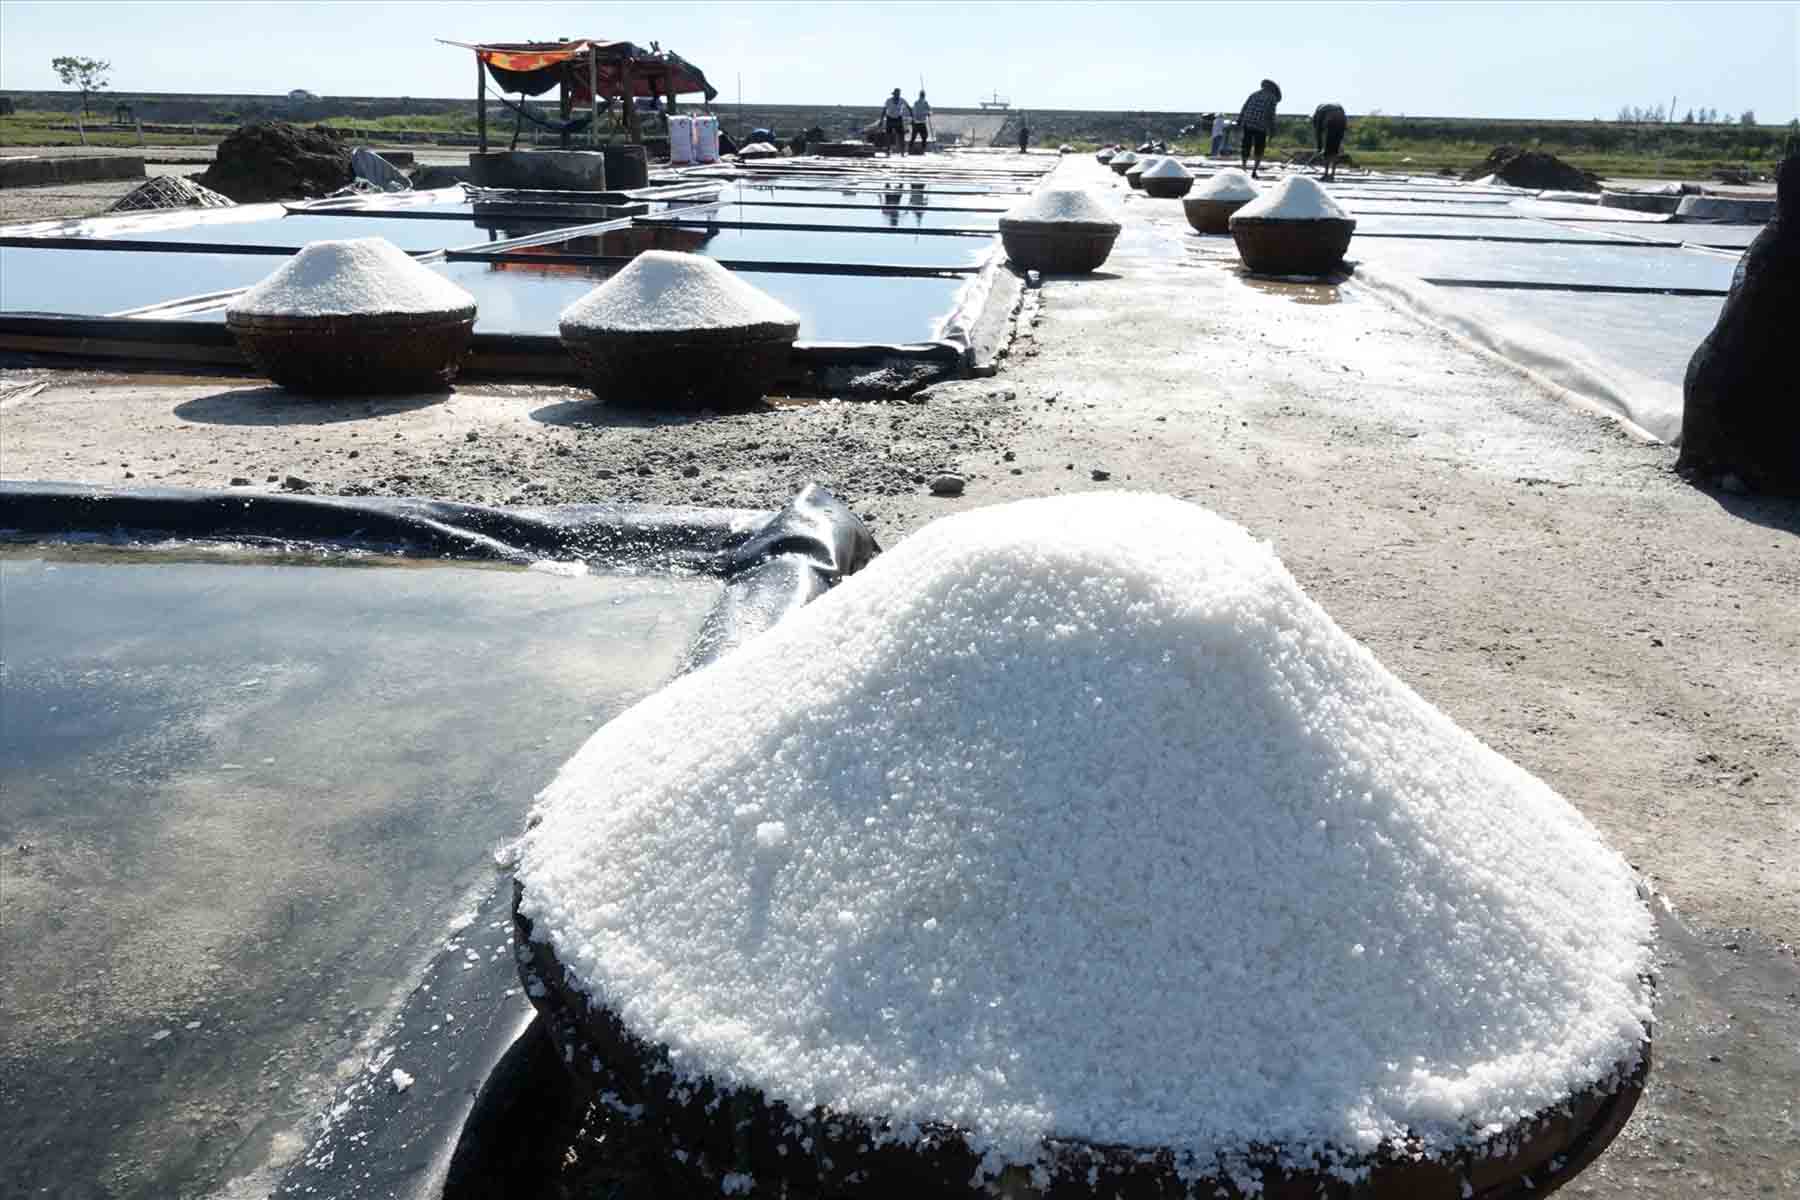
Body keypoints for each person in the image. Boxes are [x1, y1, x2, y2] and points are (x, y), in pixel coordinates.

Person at [1237, 78, 1281, 177]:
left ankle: (1244, 168)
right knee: (1259, 148)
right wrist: (1272, 130)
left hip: (1247, 123)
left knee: (1246, 145)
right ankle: (1254, 171)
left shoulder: (1254, 94)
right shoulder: (1272, 98)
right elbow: (1271, 115)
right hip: (1260, 125)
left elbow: (1244, 107)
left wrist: (1240, 121)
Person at [1312, 102, 1348, 181]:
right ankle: (1332, 175)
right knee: (1335, 151)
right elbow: (1344, 125)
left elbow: (1318, 133)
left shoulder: (1319, 116)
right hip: (1342, 120)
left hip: (1332, 121)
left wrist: (1319, 148)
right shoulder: (1323, 110)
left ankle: (1326, 174)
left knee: (1327, 152)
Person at [881, 88, 910, 157]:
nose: (897, 95)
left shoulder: (902, 100)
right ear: (893, 94)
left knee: (901, 136)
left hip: (898, 119)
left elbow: (909, 107)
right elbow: (884, 110)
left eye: (898, 94)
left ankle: (902, 152)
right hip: (890, 118)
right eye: (896, 94)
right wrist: (881, 120)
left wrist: (912, 116)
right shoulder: (888, 100)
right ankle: (888, 151)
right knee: (888, 136)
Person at [910, 90, 932, 155]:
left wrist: (928, 113)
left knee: (924, 137)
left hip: (922, 122)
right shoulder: (916, 103)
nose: (922, 96)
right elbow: (914, 112)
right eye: (922, 95)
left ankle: (923, 150)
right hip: (917, 123)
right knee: (914, 137)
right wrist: (926, 113)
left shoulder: (926, 103)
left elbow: (930, 111)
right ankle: (910, 149)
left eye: (923, 95)